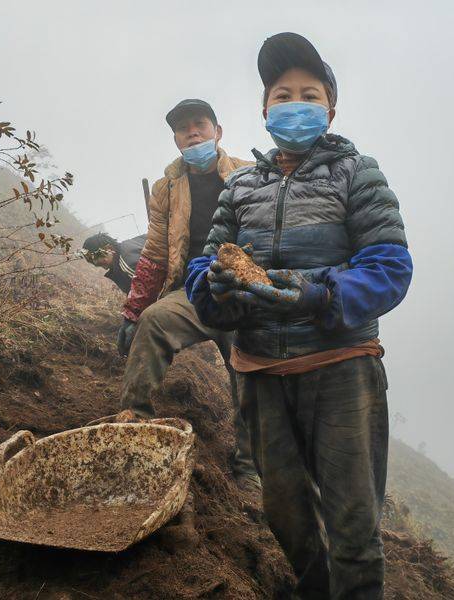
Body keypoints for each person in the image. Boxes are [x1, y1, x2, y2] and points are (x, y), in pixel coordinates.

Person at [186, 33, 413, 599]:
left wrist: (319, 295)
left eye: (308, 94)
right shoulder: (241, 187)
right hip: (261, 371)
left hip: (340, 368)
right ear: (264, 110)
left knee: (353, 525)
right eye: (281, 95)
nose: (294, 104)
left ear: (329, 109)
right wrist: (214, 289)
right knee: (283, 511)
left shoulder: (357, 174)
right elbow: (206, 263)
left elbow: (389, 267)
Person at [119, 99, 259, 490]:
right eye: (184, 129)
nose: (193, 132)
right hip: (192, 292)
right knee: (153, 321)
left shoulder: (251, 175)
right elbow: (154, 255)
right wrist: (132, 311)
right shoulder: (166, 189)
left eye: (200, 124)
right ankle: (133, 428)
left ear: (218, 131)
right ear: (176, 140)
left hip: (243, 294)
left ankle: (249, 466)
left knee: (250, 373)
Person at [81, 232, 147, 294]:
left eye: (95, 259)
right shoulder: (129, 245)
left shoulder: (127, 263)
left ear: (109, 249)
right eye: (91, 261)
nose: (95, 263)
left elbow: (147, 290)